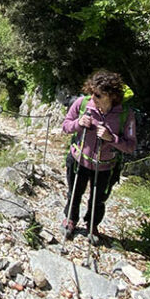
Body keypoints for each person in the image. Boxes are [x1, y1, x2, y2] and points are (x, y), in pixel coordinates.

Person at [61, 69, 137, 244]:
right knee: (74, 193)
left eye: (98, 95)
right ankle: (70, 220)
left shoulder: (125, 114)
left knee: (99, 199)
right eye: (92, 93)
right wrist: (78, 124)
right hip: (78, 159)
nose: (93, 98)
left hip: (106, 166)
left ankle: (92, 225)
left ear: (111, 96)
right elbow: (65, 126)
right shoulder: (82, 103)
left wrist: (112, 138)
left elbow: (131, 146)